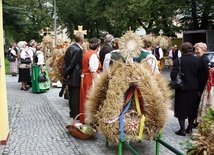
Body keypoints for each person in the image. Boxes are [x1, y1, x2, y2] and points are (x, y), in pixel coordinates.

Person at [170, 42, 202, 136]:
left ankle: (182, 129)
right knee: (192, 108)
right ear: (191, 49)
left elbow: (173, 76)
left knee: (181, 109)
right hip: (194, 88)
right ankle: (190, 128)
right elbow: (201, 75)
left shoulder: (178, 61)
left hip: (181, 88)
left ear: (182, 50)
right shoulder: (197, 61)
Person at [79, 37, 101, 123]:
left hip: (85, 77)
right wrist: (98, 83)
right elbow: (93, 71)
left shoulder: (87, 53)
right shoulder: (93, 56)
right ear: (97, 46)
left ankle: (85, 118)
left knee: (85, 97)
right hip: (89, 79)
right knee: (89, 98)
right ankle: (89, 119)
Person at [63, 32, 84, 118]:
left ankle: (72, 112)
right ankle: (76, 114)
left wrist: (66, 73)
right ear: (82, 40)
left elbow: (65, 62)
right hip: (75, 75)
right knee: (75, 96)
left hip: (71, 75)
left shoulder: (69, 48)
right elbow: (73, 64)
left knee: (72, 95)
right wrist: (67, 73)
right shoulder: (78, 49)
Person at [193, 42, 209, 127]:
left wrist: (200, 89)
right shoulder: (201, 59)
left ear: (203, 49)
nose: (196, 51)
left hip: (202, 87)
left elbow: (204, 76)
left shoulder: (204, 60)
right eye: (195, 49)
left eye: (197, 49)